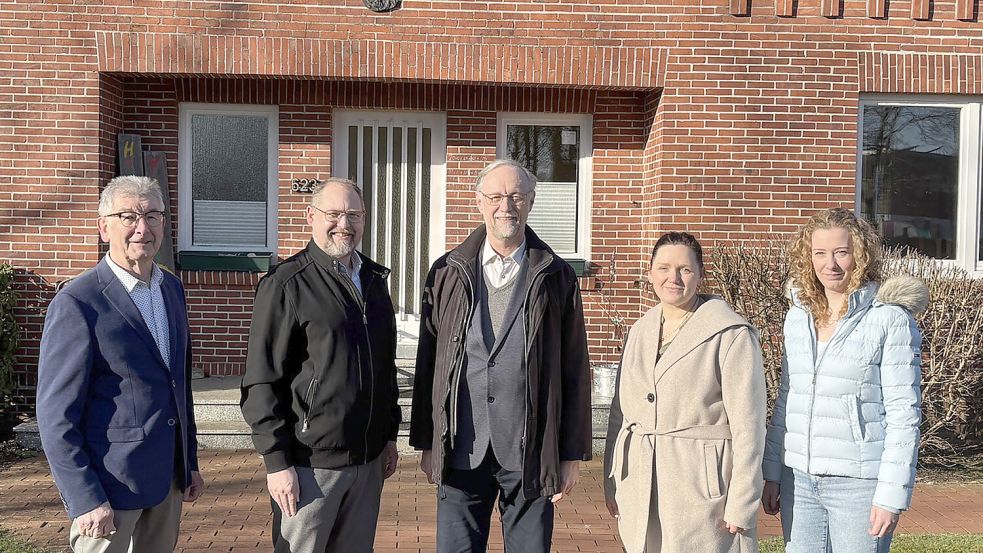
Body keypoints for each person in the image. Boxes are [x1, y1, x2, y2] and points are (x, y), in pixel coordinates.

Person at [409, 159, 592, 552]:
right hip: (461, 447)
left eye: (516, 196)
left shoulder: (556, 276)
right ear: (479, 201)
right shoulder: (447, 272)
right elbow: (430, 363)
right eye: (495, 196)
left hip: (529, 448)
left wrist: (570, 453)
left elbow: (575, 369)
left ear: (531, 201)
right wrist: (426, 441)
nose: (505, 206)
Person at [36, 175, 203, 553]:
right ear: (103, 226)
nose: (142, 228)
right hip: (108, 491)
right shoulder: (79, 302)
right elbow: (55, 416)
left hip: (166, 482)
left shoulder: (171, 289)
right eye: (128, 216)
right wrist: (84, 498)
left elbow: (179, 385)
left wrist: (188, 460)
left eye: (153, 216)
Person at [240, 177, 400, 553]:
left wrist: (389, 433)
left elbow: (385, 366)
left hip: (368, 461)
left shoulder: (375, 282)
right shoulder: (286, 283)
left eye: (354, 215)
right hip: (310, 466)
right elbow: (261, 381)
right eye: (334, 214)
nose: (344, 224)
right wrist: (277, 462)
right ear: (311, 216)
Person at [761, 208, 926, 553]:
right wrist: (772, 472)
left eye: (841, 252)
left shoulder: (889, 320)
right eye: (820, 253)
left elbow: (904, 415)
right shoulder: (797, 317)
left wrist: (891, 495)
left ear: (860, 255)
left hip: (859, 485)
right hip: (798, 481)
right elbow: (787, 400)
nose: (830, 264)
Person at [603, 232, 767, 553]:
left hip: (701, 489)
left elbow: (749, 424)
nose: (673, 278)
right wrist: (613, 479)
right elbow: (620, 413)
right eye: (663, 268)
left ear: (700, 275)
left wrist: (742, 500)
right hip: (640, 479)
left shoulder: (730, 334)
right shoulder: (640, 330)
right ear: (650, 272)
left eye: (685, 270)